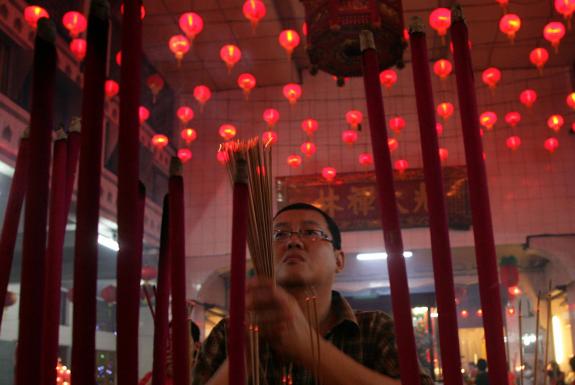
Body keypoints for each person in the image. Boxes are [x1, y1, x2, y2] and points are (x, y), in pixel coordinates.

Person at [192, 202, 434, 385]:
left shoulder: (374, 329)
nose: (293, 242)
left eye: (311, 232)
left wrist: (310, 348)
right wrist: (245, 354)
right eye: (280, 234)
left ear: (339, 260)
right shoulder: (230, 333)